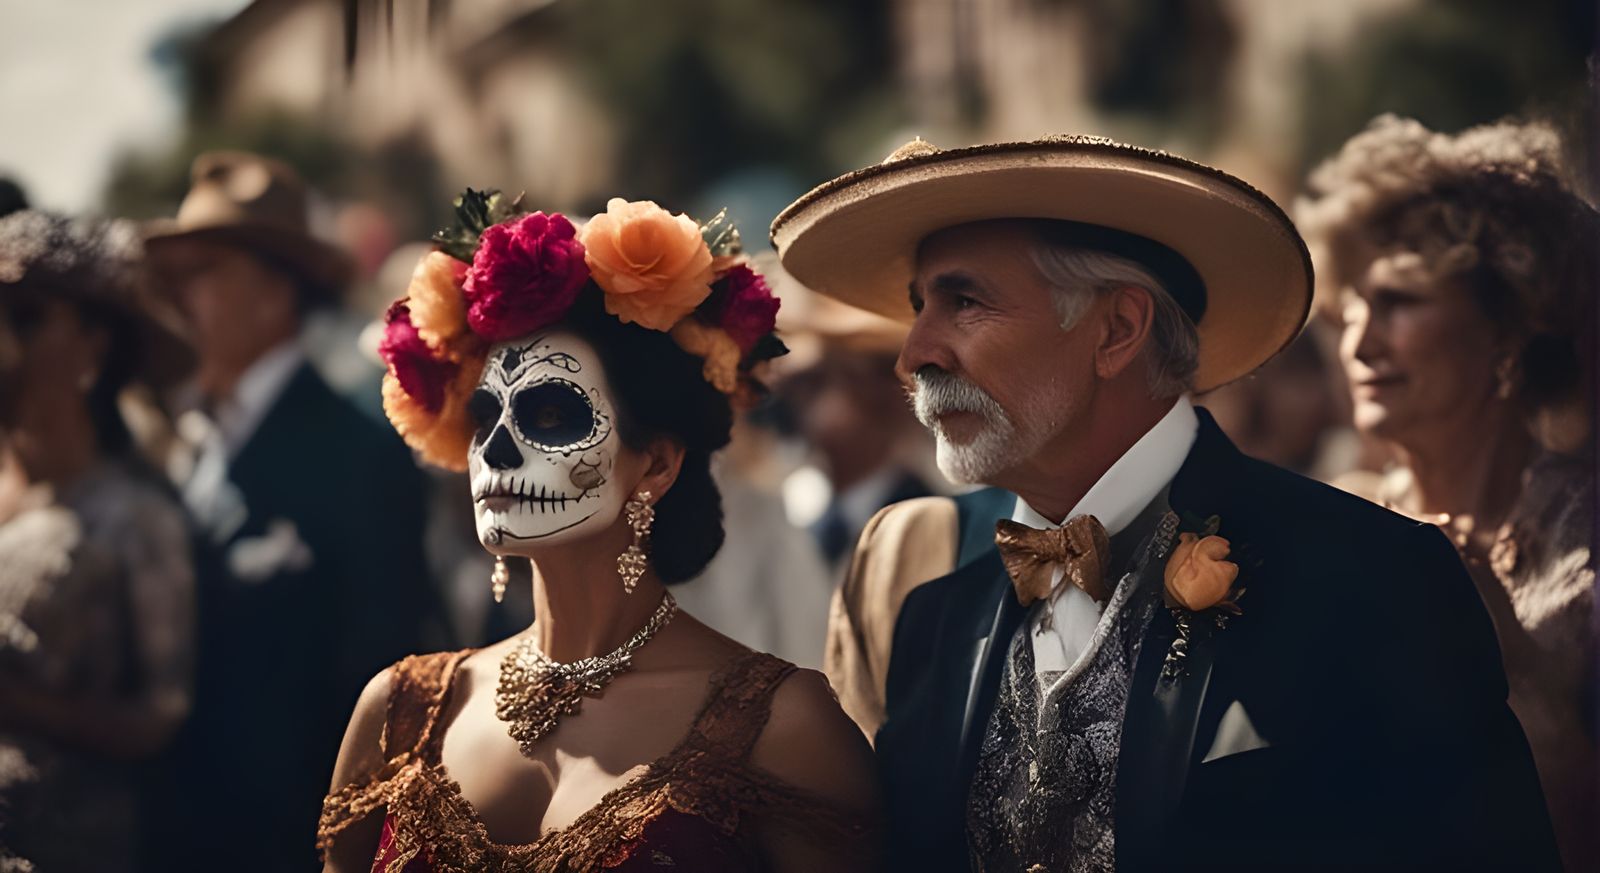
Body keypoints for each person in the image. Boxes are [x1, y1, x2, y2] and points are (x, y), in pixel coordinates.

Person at [771, 135, 1559, 871]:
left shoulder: (1374, 576)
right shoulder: (936, 621)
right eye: (920, 306)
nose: (916, 354)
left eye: (964, 302)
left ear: (1117, 328)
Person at [318, 193, 879, 871]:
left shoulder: (782, 727)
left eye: (551, 413)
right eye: (486, 414)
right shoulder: (398, 713)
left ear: (656, 464)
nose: (495, 449)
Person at [1298, 114, 1598, 872]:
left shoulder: (1587, 538)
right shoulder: (1336, 519)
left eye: (1398, 300)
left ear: (1509, 324)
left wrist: (1518, 667)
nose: (1360, 345)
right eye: (1350, 309)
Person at [144, 151, 443, 871]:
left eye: (203, 272)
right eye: (174, 277)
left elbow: (386, 676)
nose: (179, 298)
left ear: (276, 289)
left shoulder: (357, 450)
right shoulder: (193, 442)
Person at [0, 211, 195, 872]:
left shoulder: (138, 516)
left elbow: (161, 715)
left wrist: (24, 704)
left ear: (93, 342)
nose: (5, 343)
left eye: (26, 317)